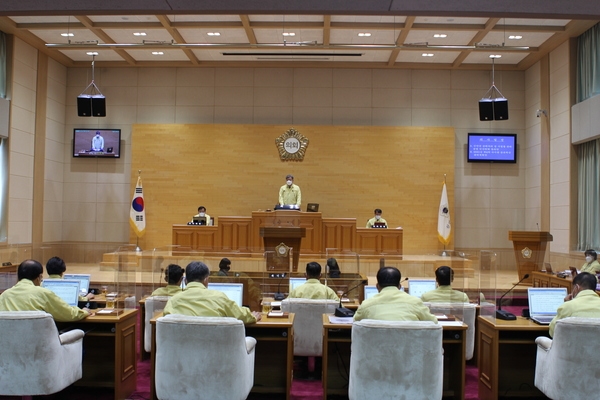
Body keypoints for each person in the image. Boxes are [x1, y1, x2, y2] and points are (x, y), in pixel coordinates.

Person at [163, 261, 261, 324]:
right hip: (216, 353)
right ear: (206, 280)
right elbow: (240, 315)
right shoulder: (219, 298)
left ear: (185, 281)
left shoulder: (173, 301)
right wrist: (252, 316)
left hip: (183, 353)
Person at [0, 259, 91, 322]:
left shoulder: (4, 295)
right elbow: (69, 314)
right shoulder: (42, 293)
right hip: (37, 343)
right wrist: (85, 311)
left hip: (8, 346)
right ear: (39, 277)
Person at [354, 267, 437, 322]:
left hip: (377, 348)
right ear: (399, 286)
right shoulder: (415, 302)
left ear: (377, 286)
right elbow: (434, 323)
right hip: (409, 348)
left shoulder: (366, 305)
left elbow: (355, 323)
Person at [549, 272, 600, 337]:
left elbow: (553, 332)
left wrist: (566, 304)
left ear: (576, 287)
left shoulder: (568, 306)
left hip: (571, 347)